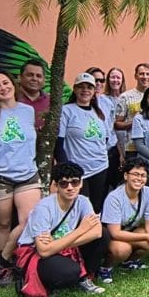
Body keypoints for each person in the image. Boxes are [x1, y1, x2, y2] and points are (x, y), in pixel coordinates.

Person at [0, 71, 42, 288]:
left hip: (27, 174)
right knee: (3, 223)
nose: (3, 88)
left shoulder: (28, 111)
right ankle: (5, 269)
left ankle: (1, 260)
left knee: (28, 221)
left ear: (13, 84)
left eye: (5, 83)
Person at [14, 162, 107, 297]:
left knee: (104, 236)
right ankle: (52, 280)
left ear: (81, 183)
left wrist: (58, 244)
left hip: (59, 246)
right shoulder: (43, 209)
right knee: (69, 272)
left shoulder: (83, 201)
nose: (70, 188)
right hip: (36, 254)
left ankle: (85, 277)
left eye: (75, 182)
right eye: (64, 184)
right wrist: (80, 230)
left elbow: (97, 231)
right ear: (56, 186)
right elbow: (43, 251)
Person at [98, 157, 149, 284]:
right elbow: (115, 233)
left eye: (143, 175)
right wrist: (147, 236)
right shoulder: (114, 198)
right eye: (135, 174)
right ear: (125, 176)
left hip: (130, 231)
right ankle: (104, 267)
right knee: (123, 249)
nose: (139, 178)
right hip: (112, 235)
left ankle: (129, 261)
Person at [55, 73, 114, 212]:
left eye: (89, 87)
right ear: (75, 89)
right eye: (81, 87)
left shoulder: (98, 112)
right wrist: (67, 169)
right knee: (77, 208)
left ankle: (95, 233)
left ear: (94, 91)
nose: (85, 90)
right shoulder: (67, 111)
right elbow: (59, 143)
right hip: (78, 169)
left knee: (96, 207)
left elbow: (105, 137)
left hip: (100, 166)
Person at [87, 66, 121, 197]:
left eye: (102, 80)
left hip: (110, 152)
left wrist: (119, 153)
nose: (99, 84)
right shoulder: (78, 105)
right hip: (90, 154)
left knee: (108, 190)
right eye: (95, 80)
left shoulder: (107, 103)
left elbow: (111, 129)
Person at [115, 62, 149, 159]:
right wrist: (136, 122)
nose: (145, 77)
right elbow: (117, 124)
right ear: (135, 76)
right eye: (141, 74)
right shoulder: (125, 97)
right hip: (133, 148)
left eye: (148, 74)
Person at [104, 66, 127, 188]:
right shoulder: (103, 100)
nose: (115, 80)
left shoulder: (126, 98)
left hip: (127, 144)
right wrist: (120, 153)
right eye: (112, 77)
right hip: (113, 147)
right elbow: (111, 128)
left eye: (118, 77)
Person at [17, 58, 50, 132]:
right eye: (30, 75)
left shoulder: (50, 102)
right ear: (20, 77)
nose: (34, 79)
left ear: (44, 80)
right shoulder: (11, 99)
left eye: (39, 76)